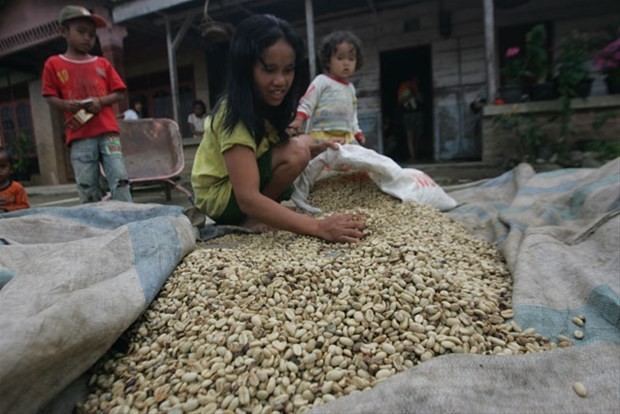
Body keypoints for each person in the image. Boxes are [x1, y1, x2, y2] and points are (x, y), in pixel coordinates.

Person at [191, 14, 366, 243]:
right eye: (269, 69)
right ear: (246, 68)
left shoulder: (267, 106)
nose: (281, 81)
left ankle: (262, 213)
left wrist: (320, 148)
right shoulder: (234, 113)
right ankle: (250, 218)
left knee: (306, 143)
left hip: (239, 190)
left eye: (288, 70)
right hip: (220, 197)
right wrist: (318, 227)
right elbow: (247, 197)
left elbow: (271, 148)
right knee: (297, 151)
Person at [42, 5, 132, 203]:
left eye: (91, 34)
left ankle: (128, 215)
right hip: (80, 134)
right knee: (86, 183)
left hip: (108, 131)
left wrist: (100, 101)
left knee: (119, 177)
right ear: (64, 32)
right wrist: (66, 104)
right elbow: (48, 95)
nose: (87, 38)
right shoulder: (54, 64)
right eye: (81, 32)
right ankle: (94, 222)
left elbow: (119, 92)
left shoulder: (102, 63)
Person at [288, 31, 365, 145]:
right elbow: (308, 102)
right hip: (321, 135)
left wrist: (358, 133)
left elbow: (352, 115)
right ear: (328, 61)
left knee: (360, 158)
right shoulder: (322, 81)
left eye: (351, 59)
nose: (346, 63)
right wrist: (299, 120)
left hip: (346, 137)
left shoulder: (351, 89)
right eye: (340, 58)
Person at [397, 75, 424, 161]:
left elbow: (422, 100)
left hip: (417, 112)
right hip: (408, 113)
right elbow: (400, 101)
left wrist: (417, 95)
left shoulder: (417, 88)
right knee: (410, 135)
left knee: (418, 134)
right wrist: (408, 96)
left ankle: (415, 154)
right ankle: (413, 156)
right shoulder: (404, 87)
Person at [0, 147, 30, 213]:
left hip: (14, 221)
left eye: (3, 166)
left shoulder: (17, 188)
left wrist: (6, 210)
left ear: (11, 169)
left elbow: (25, 207)